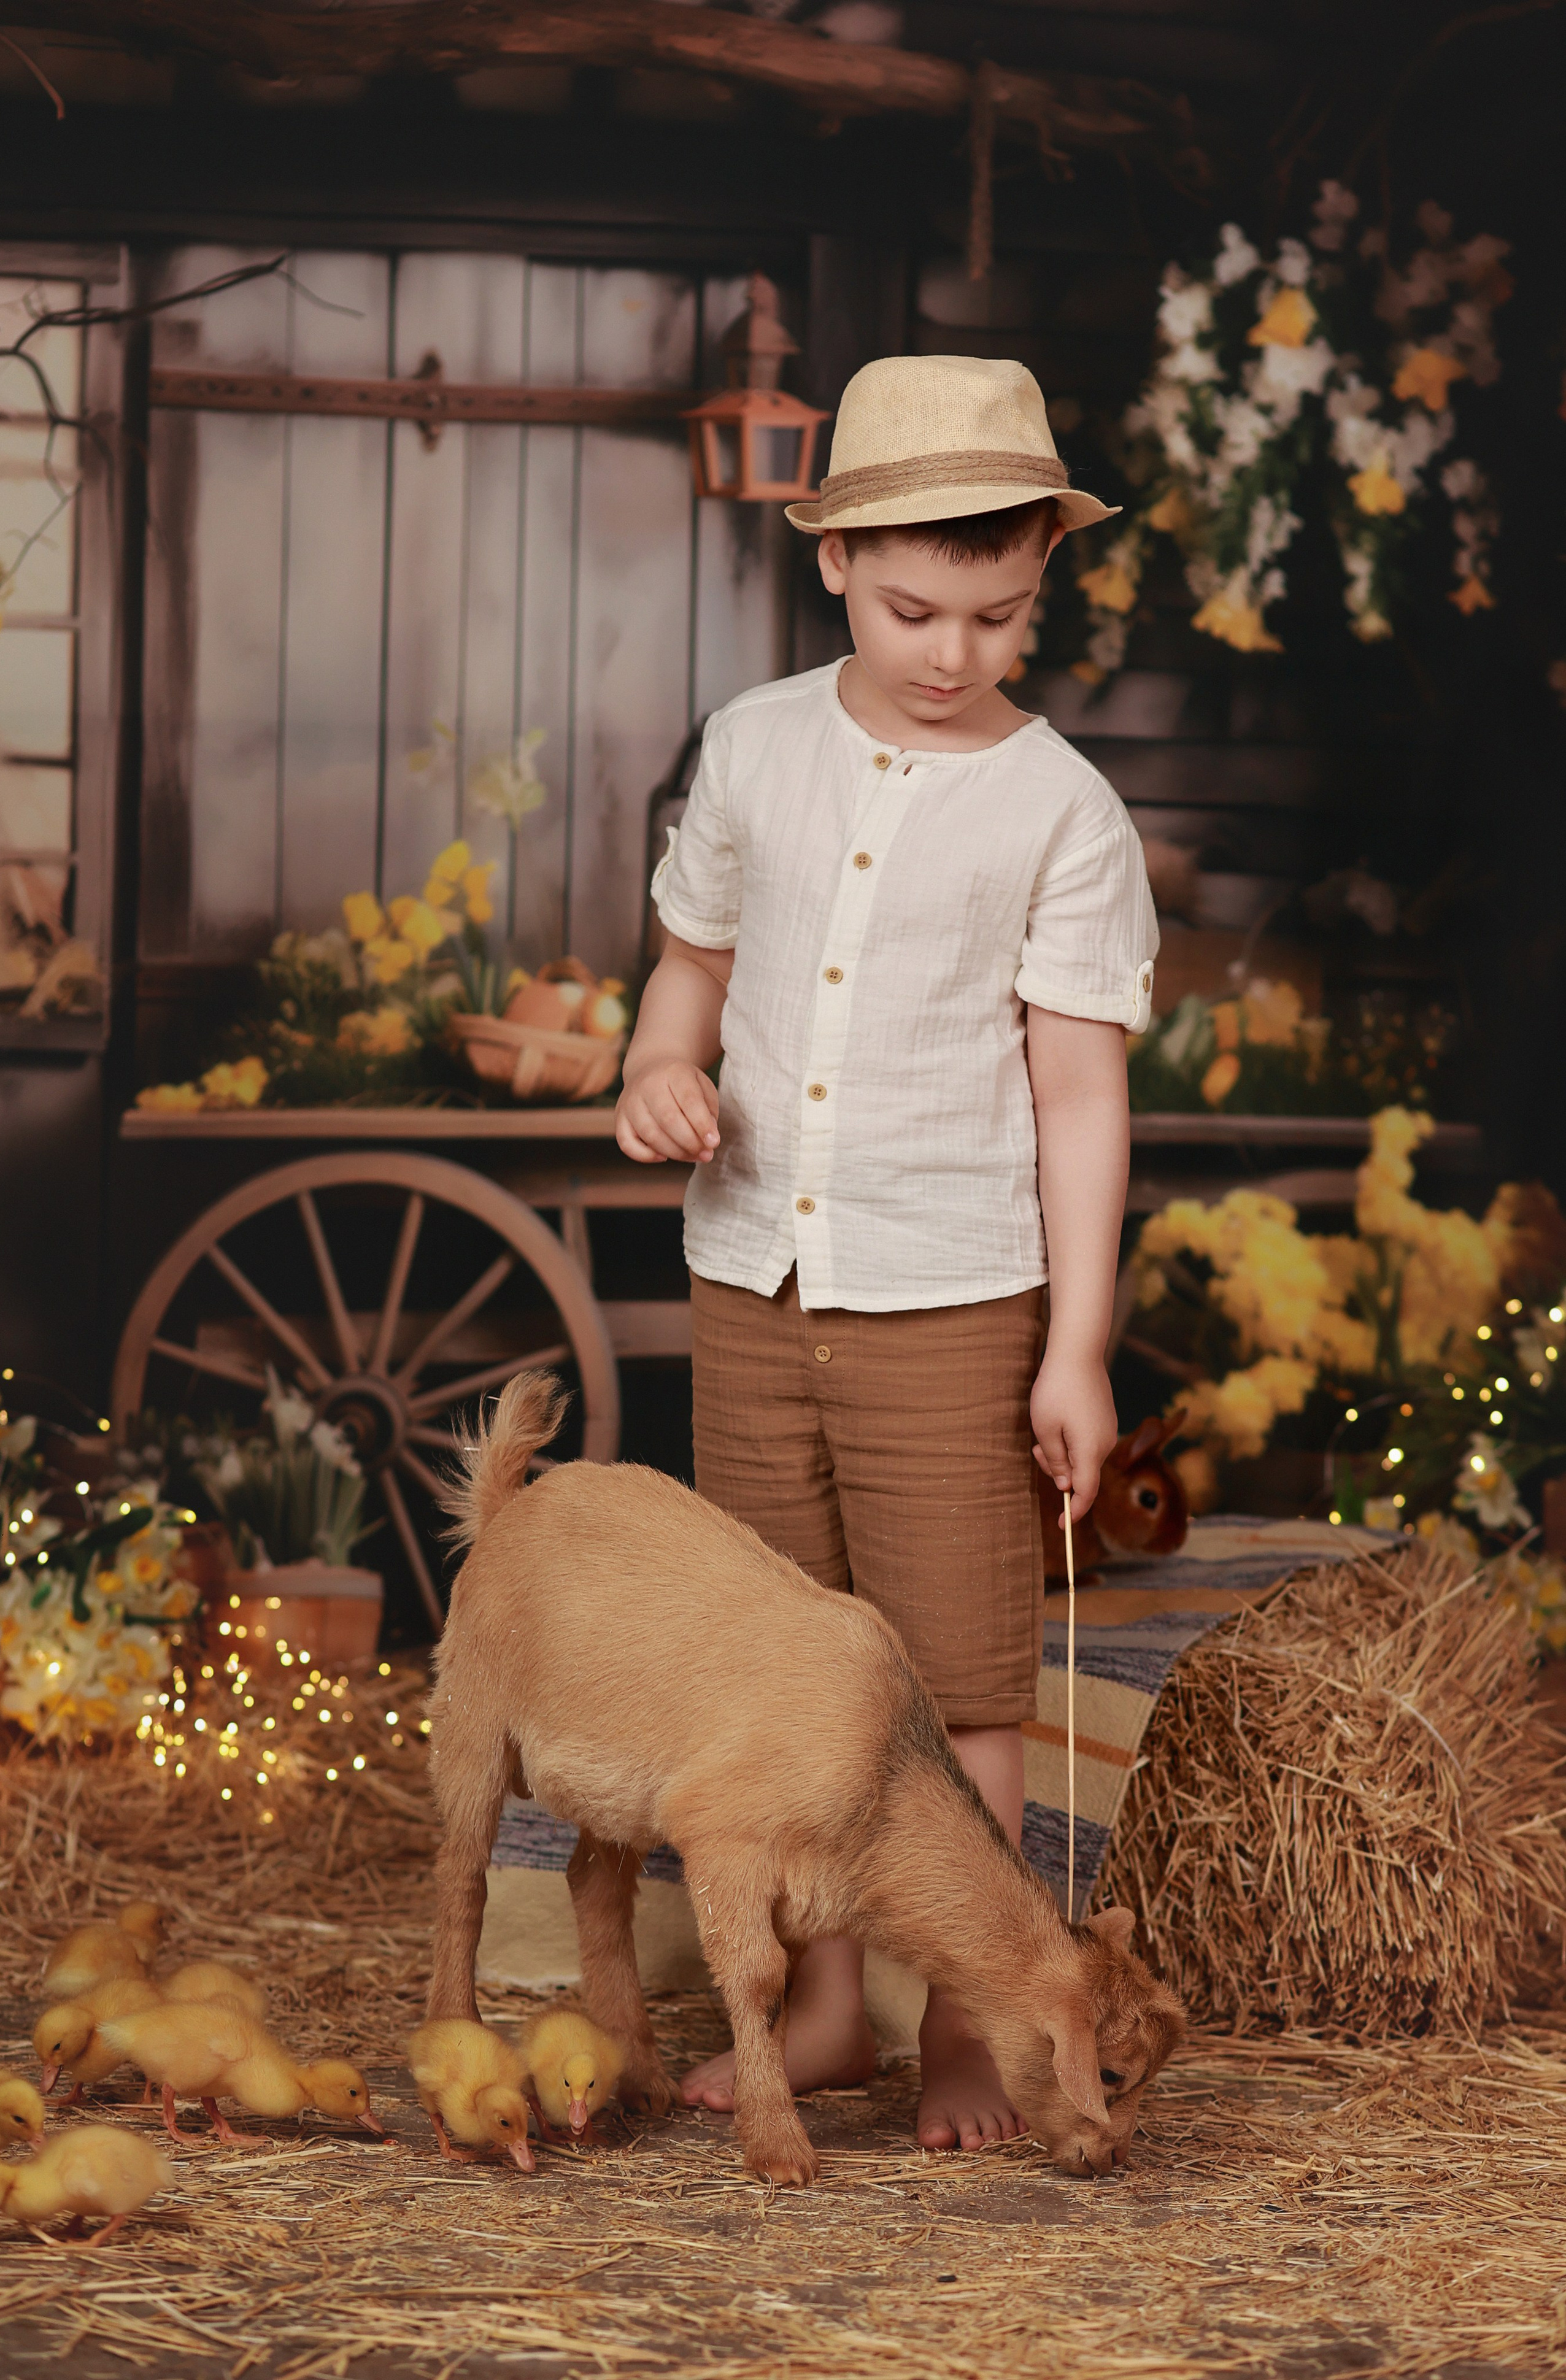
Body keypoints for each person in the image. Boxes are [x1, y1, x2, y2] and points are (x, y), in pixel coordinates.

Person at [614, 353, 1157, 2153]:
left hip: (952, 1295)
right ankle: (824, 2008)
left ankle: (960, 2027)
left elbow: (1077, 1093)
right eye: (917, 607)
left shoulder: (1063, 810)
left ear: (1042, 587)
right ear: (833, 562)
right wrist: (658, 1065)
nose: (955, 653)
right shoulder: (756, 746)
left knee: (955, 1682)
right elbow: (690, 968)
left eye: (998, 617)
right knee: (786, 1674)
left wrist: (1074, 1346)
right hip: (751, 1276)